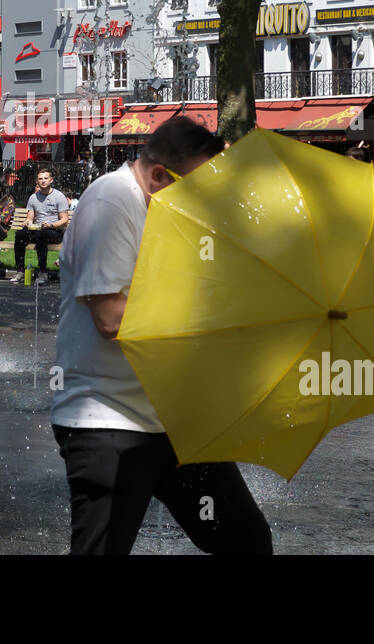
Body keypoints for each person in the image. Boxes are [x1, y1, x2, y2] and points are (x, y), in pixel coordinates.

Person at [51, 116, 272, 555]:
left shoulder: (167, 214)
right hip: (108, 420)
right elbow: (110, 318)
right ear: (158, 177)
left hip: (172, 422)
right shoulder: (112, 201)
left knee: (246, 539)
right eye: (196, 189)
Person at [9, 168, 69, 284]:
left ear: (51, 180)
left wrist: (51, 225)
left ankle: (42, 272)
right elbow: (30, 218)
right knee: (20, 234)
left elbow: (64, 220)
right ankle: (20, 271)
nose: (43, 181)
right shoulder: (33, 197)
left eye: (46, 178)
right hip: (38, 229)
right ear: (37, 181)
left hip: (55, 231)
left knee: (41, 235)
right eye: (40, 179)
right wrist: (27, 222)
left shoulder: (59, 196)